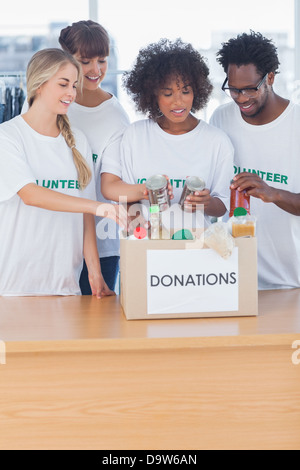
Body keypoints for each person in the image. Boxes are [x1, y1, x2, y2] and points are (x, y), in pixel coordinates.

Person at [0, 48, 127, 297]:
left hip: (66, 287)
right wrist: (99, 207)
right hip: (14, 287)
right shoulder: (8, 137)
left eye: (74, 85)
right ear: (39, 84)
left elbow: (85, 217)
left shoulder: (78, 140)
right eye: (63, 84)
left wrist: (95, 275)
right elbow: (31, 195)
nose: (72, 93)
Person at [101, 38, 234, 226]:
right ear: (153, 94)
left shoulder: (217, 141)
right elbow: (127, 196)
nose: (178, 102)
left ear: (197, 91)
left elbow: (222, 206)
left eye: (185, 91)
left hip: (196, 247)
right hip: (145, 245)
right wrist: (140, 228)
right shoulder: (135, 136)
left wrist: (206, 202)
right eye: (168, 93)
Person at [210, 31, 300, 290]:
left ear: (270, 77)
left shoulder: (296, 124)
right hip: (233, 277)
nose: (241, 98)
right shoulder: (221, 118)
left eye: (250, 89)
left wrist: (274, 193)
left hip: (289, 283)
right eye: (234, 89)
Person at [58, 20, 130, 294]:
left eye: (102, 60)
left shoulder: (116, 116)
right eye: (85, 61)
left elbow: (113, 183)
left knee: (96, 326)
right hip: (58, 239)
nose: (96, 70)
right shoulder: (55, 106)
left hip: (103, 243)